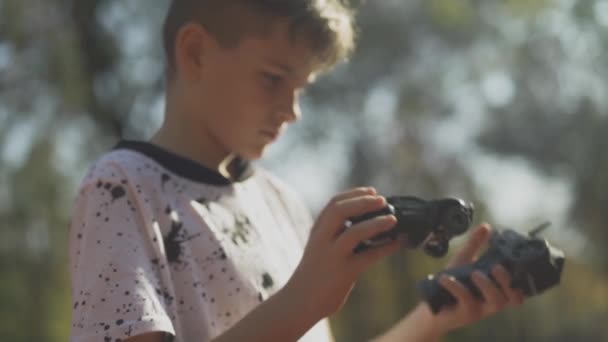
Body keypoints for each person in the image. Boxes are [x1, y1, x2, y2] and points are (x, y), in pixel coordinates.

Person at [68, 1, 525, 341]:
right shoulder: (122, 187)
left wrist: (433, 317)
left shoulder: (281, 202)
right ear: (196, 53)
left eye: (301, 89)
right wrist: (303, 300)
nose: (292, 111)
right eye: (273, 78)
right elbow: (295, 311)